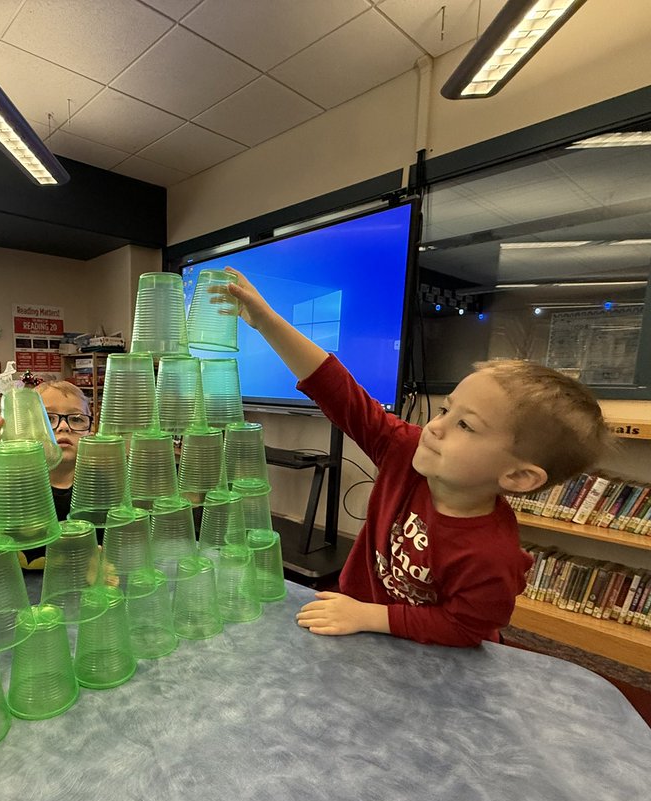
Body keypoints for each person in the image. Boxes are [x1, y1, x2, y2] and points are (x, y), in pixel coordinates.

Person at [221, 266, 611, 647]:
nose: (436, 427)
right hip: (361, 628)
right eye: (445, 411)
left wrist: (371, 616)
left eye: (466, 426)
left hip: (427, 654)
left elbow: (465, 629)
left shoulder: (493, 555)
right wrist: (266, 321)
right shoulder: (407, 451)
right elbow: (338, 391)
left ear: (519, 477)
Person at [0, 380, 92, 567]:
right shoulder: (12, 485)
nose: (63, 427)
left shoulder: (101, 485)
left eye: (76, 419)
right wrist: (2, 469)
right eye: (48, 418)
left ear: (91, 432)